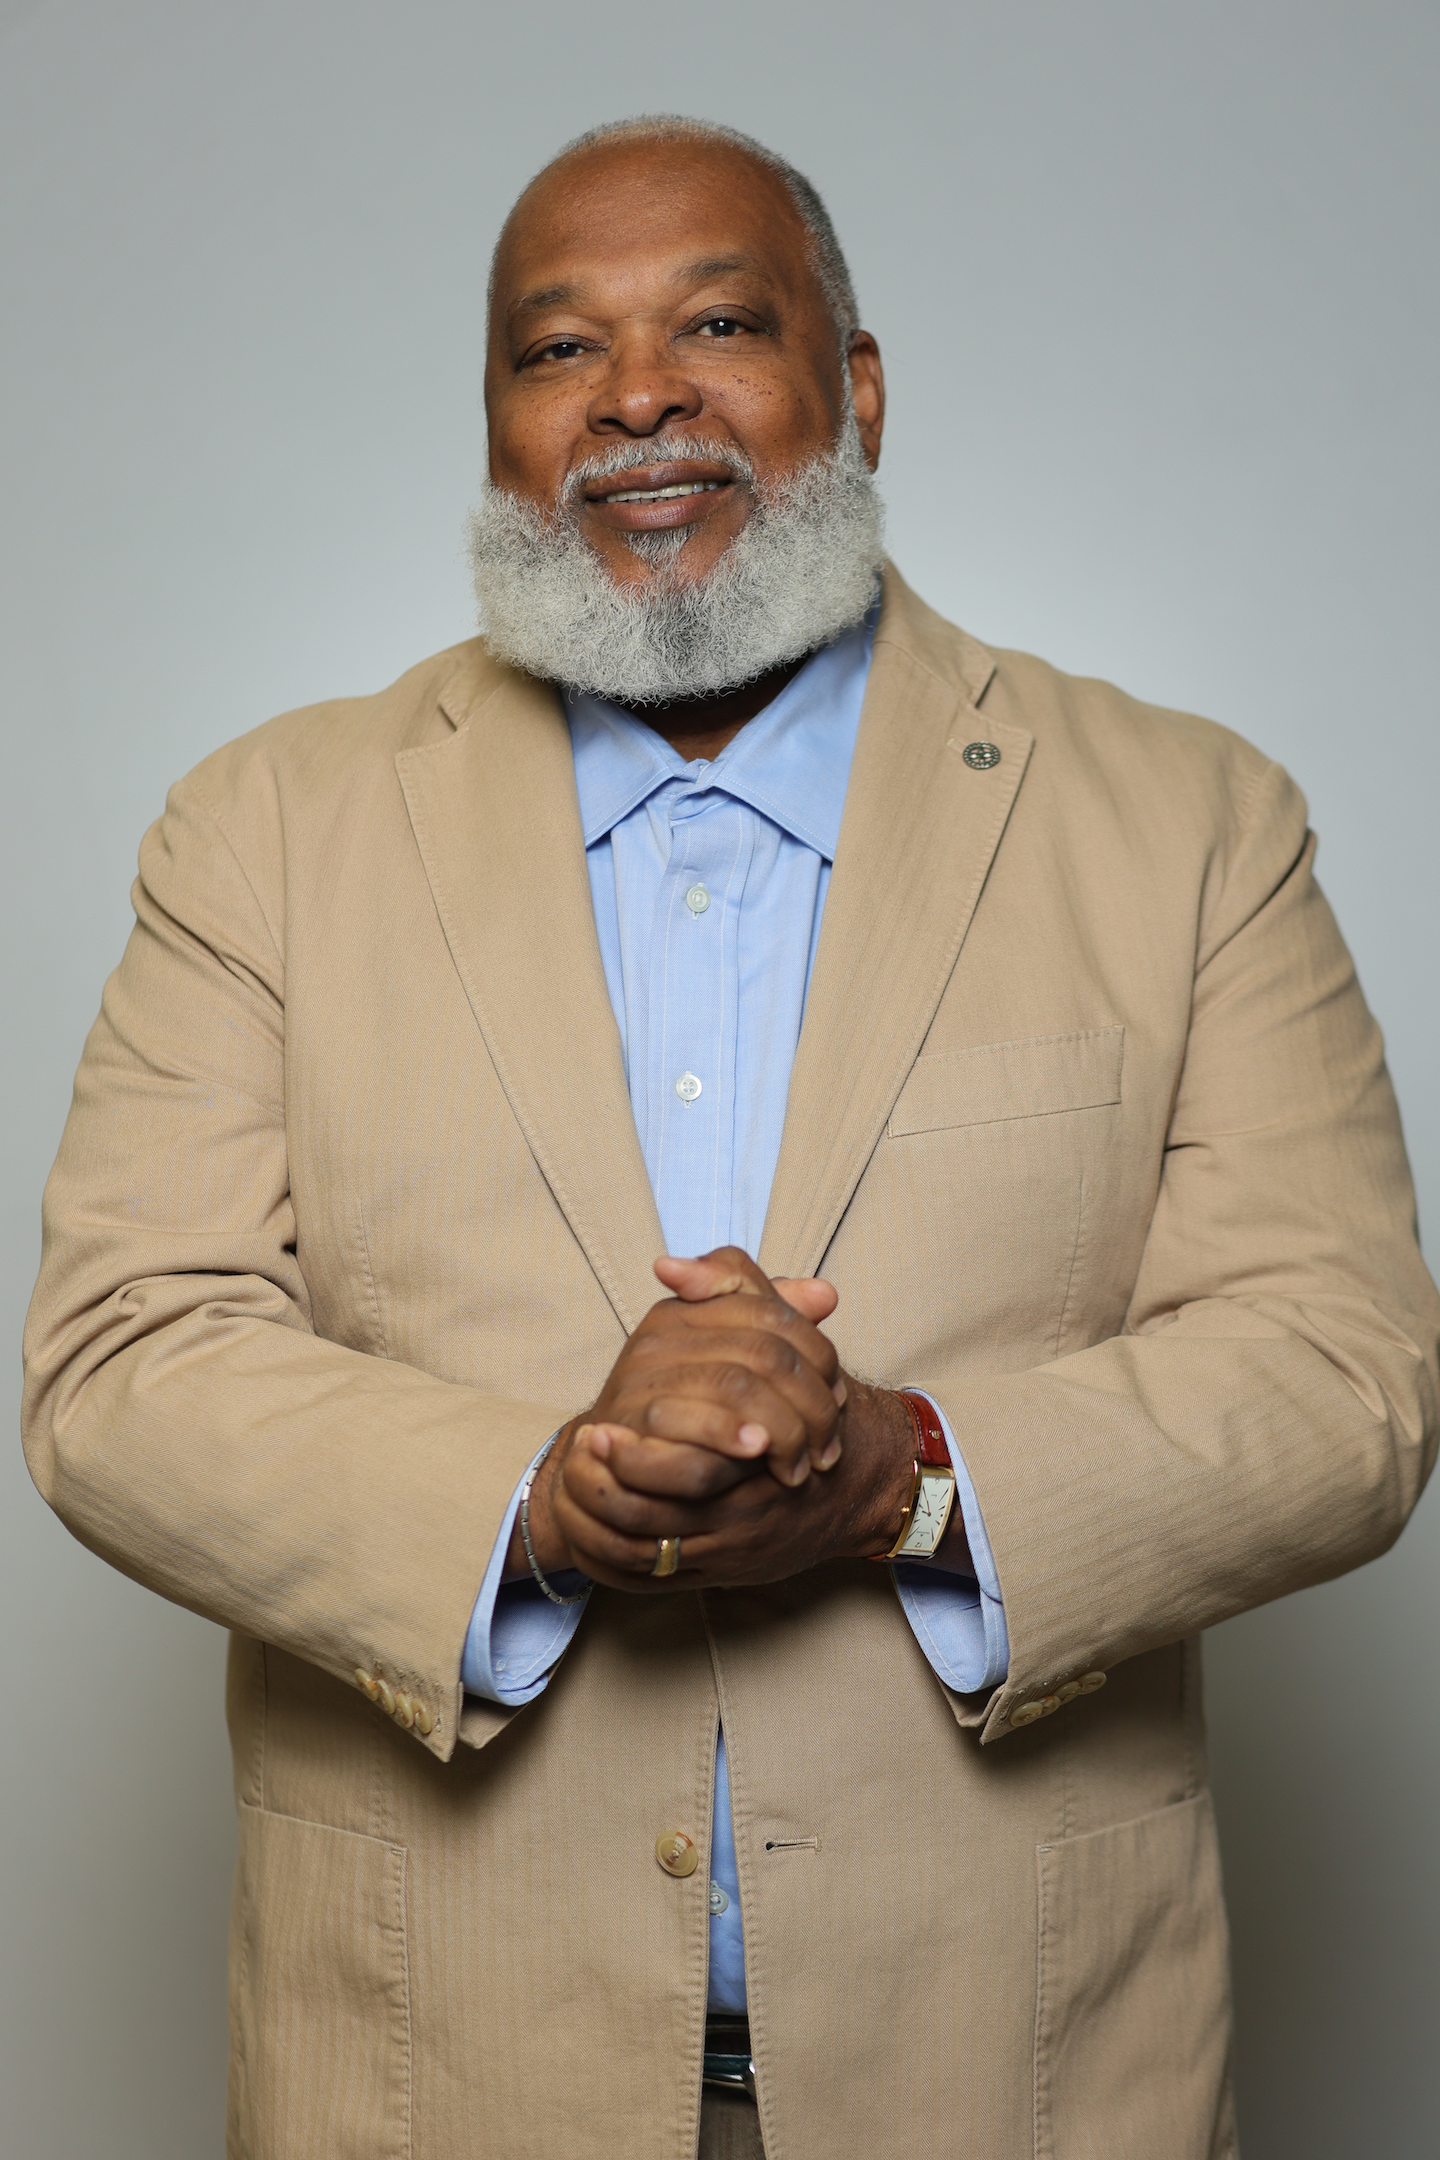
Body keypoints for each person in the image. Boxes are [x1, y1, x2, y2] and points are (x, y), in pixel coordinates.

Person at [21, 113, 1439, 2160]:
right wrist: (533, 1497)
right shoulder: (263, 836)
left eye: (719, 322)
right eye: (556, 350)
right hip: (430, 2091)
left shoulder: (1188, 823)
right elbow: (120, 1364)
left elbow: (1348, 1377)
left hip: (1030, 2089)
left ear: (854, 390)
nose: (639, 397)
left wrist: (905, 1478)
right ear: (498, 430)